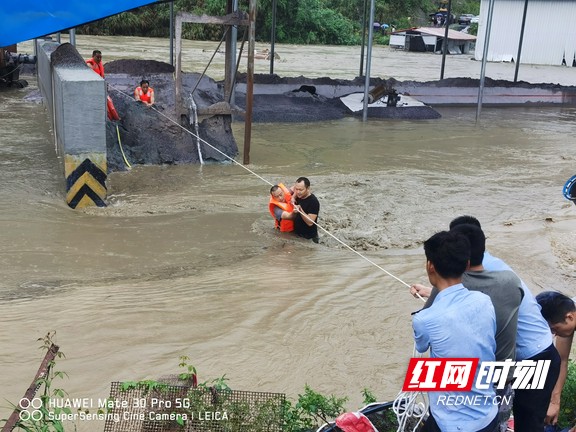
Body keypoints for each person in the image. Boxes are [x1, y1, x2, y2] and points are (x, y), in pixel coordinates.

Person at [412, 215, 561, 431]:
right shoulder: (498, 277)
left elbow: (427, 328)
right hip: (538, 353)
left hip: (527, 360)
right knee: (517, 420)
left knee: (525, 424)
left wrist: (434, 293)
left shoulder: (472, 284)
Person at [412, 230, 499, 432]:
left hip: (453, 424)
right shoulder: (484, 301)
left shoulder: (424, 319)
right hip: (488, 413)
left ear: (430, 265)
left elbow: (421, 345)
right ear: (467, 264)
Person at [536, 291, 576, 431]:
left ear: (570, 317)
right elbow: (562, 359)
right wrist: (554, 400)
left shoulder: (568, 313)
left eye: (555, 329)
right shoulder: (567, 309)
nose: (553, 334)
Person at [292, 177, 320, 243]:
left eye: (301, 190)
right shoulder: (298, 195)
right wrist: (293, 197)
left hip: (309, 238)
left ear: (308, 189)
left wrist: (300, 210)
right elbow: (293, 189)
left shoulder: (313, 201)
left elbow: (310, 222)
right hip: (297, 235)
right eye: (296, 189)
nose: (298, 192)